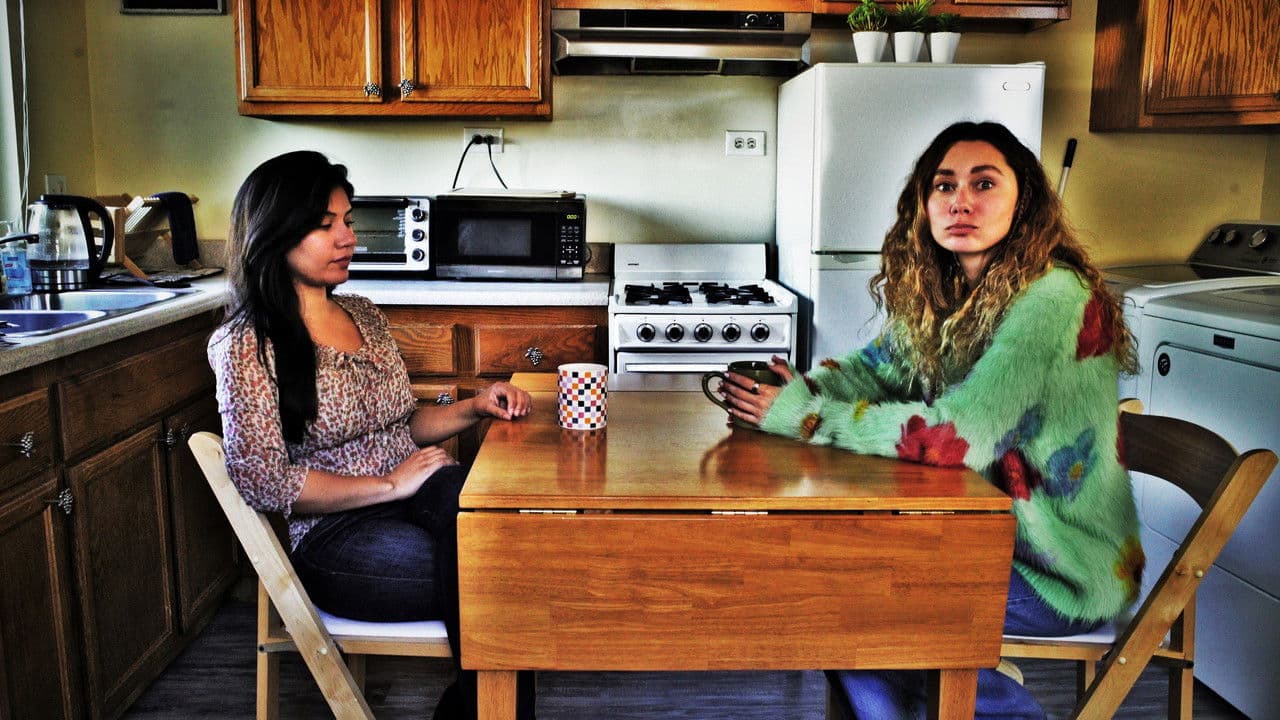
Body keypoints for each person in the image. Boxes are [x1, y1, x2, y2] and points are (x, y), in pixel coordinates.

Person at [717, 122, 1144, 718]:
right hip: (980, 536)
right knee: (835, 586)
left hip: (1061, 567)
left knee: (853, 601)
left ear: (1024, 200)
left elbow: (956, 437)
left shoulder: (1055, 298)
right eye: (944, 186)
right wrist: (796, 393)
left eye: (984, 183)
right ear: (923, 203)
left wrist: (805, 418)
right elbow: (875, 370)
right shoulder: (949, 290)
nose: (960, 201)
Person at [208, 150, 535, 720]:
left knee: (506, 536)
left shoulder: (363, 312)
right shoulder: (245, 344)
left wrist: (475, 406)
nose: (348, 238)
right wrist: (390, 484)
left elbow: (401, 423)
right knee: (498, 573)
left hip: (420, 491)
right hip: (337, 534)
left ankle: (471, 710)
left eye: (348, 221)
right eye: (324, 224)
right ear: (274, 234)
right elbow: (264, 481)